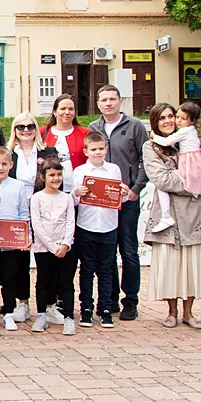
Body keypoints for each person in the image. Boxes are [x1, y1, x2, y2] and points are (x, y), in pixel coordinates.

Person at [143, 104, 201, 329]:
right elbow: (160, 179)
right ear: (155, 122)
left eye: (171, 116)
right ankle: (171, 311)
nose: (168, 121)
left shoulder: (190, 141)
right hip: (168, 212)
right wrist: (194, 186)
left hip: (193, 213)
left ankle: (188, 313)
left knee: (192, 264)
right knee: (170, 264)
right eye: (162, 118)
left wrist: (195, 182)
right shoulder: (151, 146)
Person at [89, 85, 149, 321]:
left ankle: (130, 300)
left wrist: (136, 188)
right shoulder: (94, 127)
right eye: (103, 100)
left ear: (120, 101)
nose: (108, 103)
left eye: (112, 99)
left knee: (129, 250)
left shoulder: (135, 126)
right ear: (98, 103)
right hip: (102, 201)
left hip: (127, 199)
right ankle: (110, 297)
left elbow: (146, 159)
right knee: (107, 251)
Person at [72, 131, 131, 330]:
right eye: (93, 149)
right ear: (86, 151)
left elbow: (119, 198)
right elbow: (73, 200)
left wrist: (124, 193)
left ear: (106, 149)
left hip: (108, 226)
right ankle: (86, 309)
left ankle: (105, 309)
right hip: (86, 225)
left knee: (106, 270)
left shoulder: (114, 170)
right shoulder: (79, 171)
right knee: (87, 269)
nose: (97, 153)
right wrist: (76, 193)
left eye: (101, 149)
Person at [7, 112, 57, 322]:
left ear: (36, 129)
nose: (26, 130)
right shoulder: (9, 154)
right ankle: (23, 303)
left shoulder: (49, 152)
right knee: (20, 260)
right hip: (17, 212)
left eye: (30, 126)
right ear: (15, 130)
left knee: (46, 258)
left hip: (44, 211)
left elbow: (56, 180)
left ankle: (50, 304)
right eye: (21, 127)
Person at [0, 146, 31, 332]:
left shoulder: (18, 186)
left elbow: (23, 213)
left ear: (11, 164)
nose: (1, 168)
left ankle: (9, 313)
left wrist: (26, 236)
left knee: (10, 279)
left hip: (11, 244)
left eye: (4, 164)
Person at [30, 159, 76, 335]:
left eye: (59, 175)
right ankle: (42, 315)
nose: (56, 178)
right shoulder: (37, 198)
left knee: (66, 282)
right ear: (43, 177)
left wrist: (65, 244)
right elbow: (37, 224)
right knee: (43, 281)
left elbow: (70, 222)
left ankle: (69, 318)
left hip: (65, 248)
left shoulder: (67, 198)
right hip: (44, 248)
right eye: (52, 175)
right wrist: (51, 246)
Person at [149, 101, 201, 234]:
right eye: (177, 117)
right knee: (161, 185)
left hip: (190, 168)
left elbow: (167, 141)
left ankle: (166, 216)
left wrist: (154, 136)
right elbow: (161, 180)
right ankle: (165, 216)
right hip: (192, 166)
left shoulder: (184, 132)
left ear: (192, 121)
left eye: (172, 116)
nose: (177, 121)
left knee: (162, 185)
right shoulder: (189, 132)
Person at [40, 94, 90, 192]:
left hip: (77, 189)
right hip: (49, 189)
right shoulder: (42, 132)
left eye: (71, 109)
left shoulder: (85, 133)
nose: (67, 112)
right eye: (63, 109)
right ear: (54, 112)